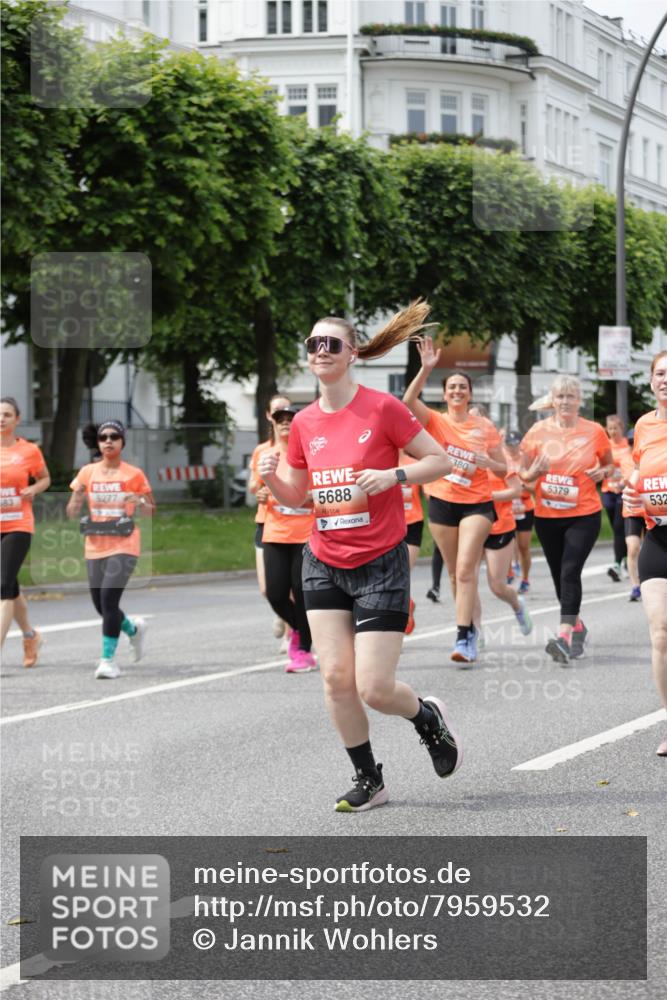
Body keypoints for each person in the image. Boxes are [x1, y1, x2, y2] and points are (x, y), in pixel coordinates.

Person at [258, 301, 462, 813]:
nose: (320, 351)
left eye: (330, 344)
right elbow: (296, 496)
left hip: (380, 562)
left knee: (374, 687)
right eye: (313, 344)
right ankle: (369, 779)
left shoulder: (382, 408)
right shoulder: (304, 423)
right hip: (323, 559)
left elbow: (440, 461)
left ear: (352, 353)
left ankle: (427, 719)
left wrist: (393, 476)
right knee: (334, 678)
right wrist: (270, 479)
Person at [403, 337, 507, 664]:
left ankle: (463, 637)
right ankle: (471, 626)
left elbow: (504, 468)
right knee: (452, 573)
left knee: (464, 569)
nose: (458, 391)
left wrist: (490, 463)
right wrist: (426, 369)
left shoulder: (484, 426)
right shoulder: (436, 420)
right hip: (442, 500)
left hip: (477, 504)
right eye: (452, 388)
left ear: (470, 394)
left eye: (463, 387)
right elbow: (408, 401)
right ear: (445, 394)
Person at [520, 376, 614, 665]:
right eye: (560, 396)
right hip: (547, 517)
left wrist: (603, 472)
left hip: (583, 515)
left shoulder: (594, 431)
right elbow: (523, 476)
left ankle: (563, 637)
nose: (565, 402)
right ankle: (578, 626)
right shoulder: (537, 432)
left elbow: (609, 464)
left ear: (579, 400)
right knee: (560, 577)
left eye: (570, 396)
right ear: (552, 400)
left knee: (570, 571)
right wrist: (534, 473)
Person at [67, 420, 154, 679]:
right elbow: (71, 512)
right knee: (101, 606)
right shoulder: (87, 473)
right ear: (98, 442)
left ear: (122, 442)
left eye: (114, 436)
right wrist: (77, 497)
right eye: (103, 437)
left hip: (125, 544)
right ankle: (133, 629)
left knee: (108, 599)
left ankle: (108, 661)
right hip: (95, 545)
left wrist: (139, 501)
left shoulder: (134, 474)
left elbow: (151, 512)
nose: (108, 441)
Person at [623, 350, 667, 757]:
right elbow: (640, 470)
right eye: (660, 374)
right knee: (661, 632)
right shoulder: (644, 425)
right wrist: (632, 489)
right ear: (651, 380)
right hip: (658, 538)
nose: (665, 380)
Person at [261, 402, 316, 673]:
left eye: (290, 419)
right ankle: (300, 628)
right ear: (273, 423)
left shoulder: (311, 455)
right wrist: (263, 493)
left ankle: (303, 649)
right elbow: (260, 489)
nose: (285, 423)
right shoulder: (267, 455)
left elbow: (319, 494)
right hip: (275, 532)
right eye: (280, 419)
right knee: (275, 593)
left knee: (302, 593)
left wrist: (296, 497)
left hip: (305, 534)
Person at [0, 397, 51, 667]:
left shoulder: (29, 451)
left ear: (17, 419)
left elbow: (45, 478)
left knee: (3, 586)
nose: (1, 419)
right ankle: (31, 636)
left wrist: (34, 488)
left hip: (18, 524)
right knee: (10, 585)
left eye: (7, 414)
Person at [472, 466, 533, 657]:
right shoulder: (463, 460)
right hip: (471, 525)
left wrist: (488, 496)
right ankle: (475, 630)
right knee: (468, 580)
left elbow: (517, 491)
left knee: (497, 587)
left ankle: (517, 604)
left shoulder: (498, 463)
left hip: (499, 527)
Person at [248, 394, 293, 648]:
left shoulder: (298, 449)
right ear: (269, 416)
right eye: (277, 410)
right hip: (266, 521)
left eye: (287, 410)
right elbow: (253, 485)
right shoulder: (261, 451)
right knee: (268, 589)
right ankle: (283, 612)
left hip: (294, 524)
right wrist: (261, 490)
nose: (283, 415)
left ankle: (292, 633)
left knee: (292, 586)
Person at [602, 414, 632, 582]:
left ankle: (618, 563)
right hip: (608, 490)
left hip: (624, 491)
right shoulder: (605, 445)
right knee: (616, 529)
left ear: (622, 428)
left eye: (616, 428)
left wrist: (624, 480)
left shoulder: (627, 445)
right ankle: (626, 560)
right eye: (610, 428)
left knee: (619, 526)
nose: (613, 431)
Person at [503, 430, 534, 594]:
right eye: (509, 445)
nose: (511, 448)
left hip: (524, 506)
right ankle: (509, 571)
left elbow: (534, 487)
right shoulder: (502, 458)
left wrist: (520, 486)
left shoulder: (526, 459)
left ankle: (525, 579)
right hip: (507, 506)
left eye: (514, 445)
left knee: (523, 546)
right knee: (507, 543)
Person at [400, 452, 423, 634]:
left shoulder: (415, 463)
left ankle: (405, 607)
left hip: (412, 522)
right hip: (389, 523)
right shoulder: (378, 461)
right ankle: (405, 604)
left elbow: (429, 489)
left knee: (403, 571)